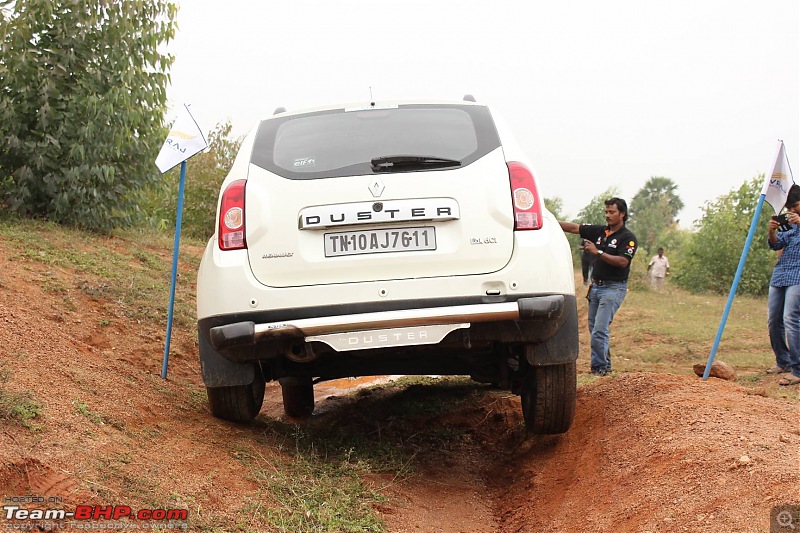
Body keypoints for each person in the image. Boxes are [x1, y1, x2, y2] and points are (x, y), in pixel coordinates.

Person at [559, 198, 638, 376]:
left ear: (622, 214)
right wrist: (544, 220)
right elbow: (574, 228)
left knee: (599, 331)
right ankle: (605, 366)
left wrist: (598, 252)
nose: (608, 216)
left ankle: (599, 369)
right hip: (596, 288)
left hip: (613, 289)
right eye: (607, 212)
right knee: (595, 330)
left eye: (612, 212)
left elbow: (623, 262)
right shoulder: (601, 232)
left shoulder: (628, 238)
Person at [766, 184, 800, 386]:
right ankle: (783, 361)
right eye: (789, 208)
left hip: (798, 275)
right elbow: (777, 244)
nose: (792, 211)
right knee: (773, 319)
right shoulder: (790, 224)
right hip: (781, 273)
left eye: (795, 206)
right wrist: (772, 232)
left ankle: (798, 368)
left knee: (791, 318)